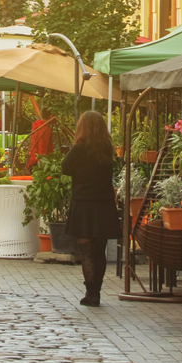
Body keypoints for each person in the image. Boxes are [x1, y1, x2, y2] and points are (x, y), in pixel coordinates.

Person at [60, 111, 122, 307]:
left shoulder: (79, 149)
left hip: (84, 204)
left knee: (86, 250)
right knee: (99, 250)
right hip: (104, 204)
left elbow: (65, 168)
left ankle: (90, 292)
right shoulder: (107, 150)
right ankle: (97, 291)